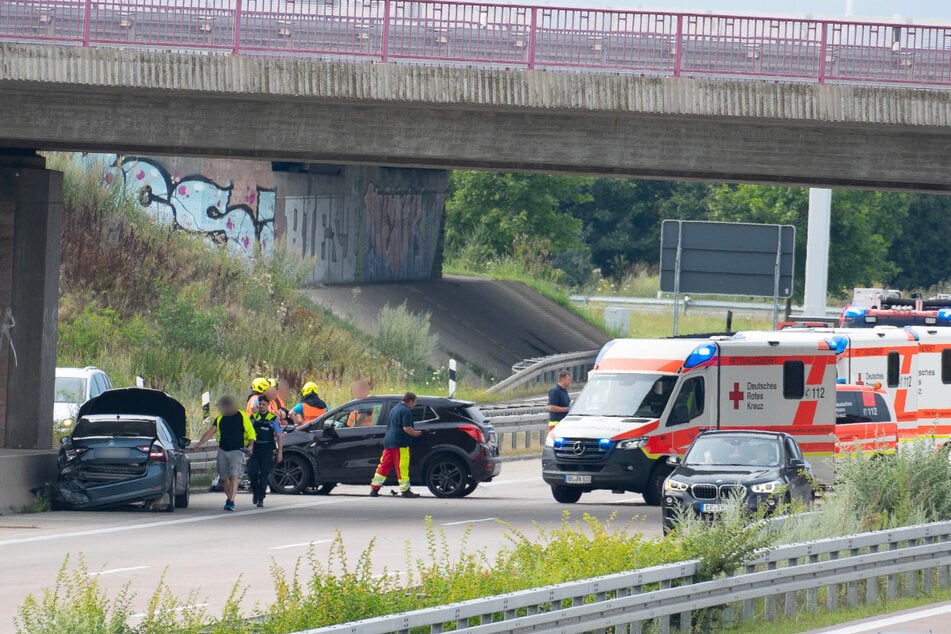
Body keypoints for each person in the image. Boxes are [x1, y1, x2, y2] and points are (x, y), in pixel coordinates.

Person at [195, 396, 256, 511]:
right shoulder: (220, 418)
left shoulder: (242, 415)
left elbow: (251, 431)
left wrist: (251, 445)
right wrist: (199, 443)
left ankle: (231, 501)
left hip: (237, 450)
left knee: (234, 475)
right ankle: (229, 498)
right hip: (223, 450)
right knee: (223, 478)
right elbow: (210, 432)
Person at [369, 392, 422, 498]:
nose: (414, 405)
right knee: (402, 466)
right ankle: (405, 490)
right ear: (410, 401)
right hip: (400, 443)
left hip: (389, 442)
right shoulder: (406, 411)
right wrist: (416, 433)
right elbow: (407, 428)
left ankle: (374, 489)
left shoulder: (394, 409)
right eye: (414, 402)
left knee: (384, 465)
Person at [247, 395, 284, 508]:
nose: (262, 406)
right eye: (260, 404)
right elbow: (248, 432)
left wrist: (280, 452)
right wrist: (249, 446)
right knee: (252, 472)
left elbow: (279, 435)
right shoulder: (253, 417)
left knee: (264, 474)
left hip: (268, 448)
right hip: (255, 448)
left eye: (264, 404)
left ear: (268, 405)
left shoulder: (273, 419)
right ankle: (255, 491)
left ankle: (260, 498)